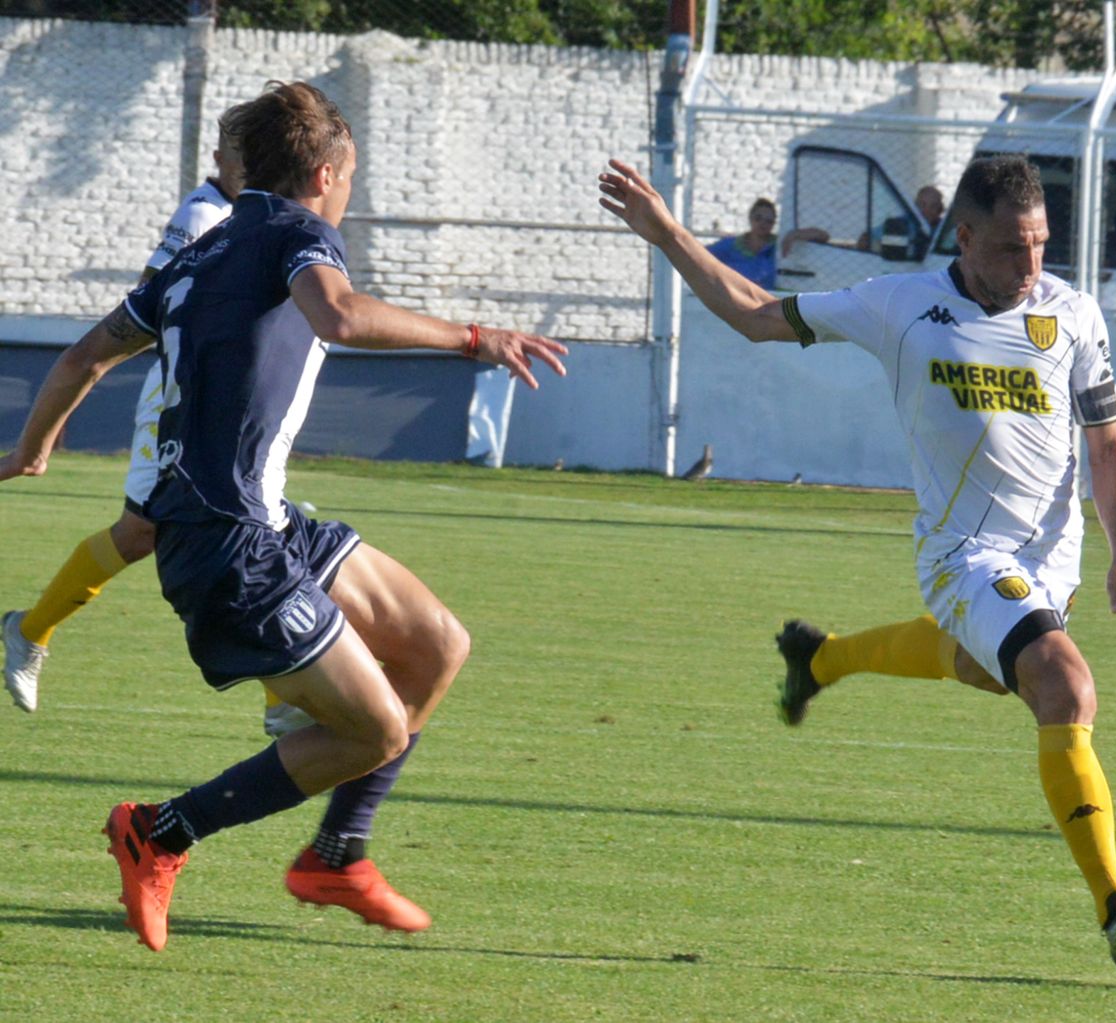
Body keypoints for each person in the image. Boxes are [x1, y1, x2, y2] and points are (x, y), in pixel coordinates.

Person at [0, 81, 569, 952]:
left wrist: (33, 449)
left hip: (257, 520)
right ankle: (162, 830)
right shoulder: (301, 233)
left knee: (437, 644)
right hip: (228, 546)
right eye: (351, 180)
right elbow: (336, 313)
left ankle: (337, 852)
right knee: (377, 729)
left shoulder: (194, 258)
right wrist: (470, 338)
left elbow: (84, 354)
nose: (350, 197)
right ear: (327, 171)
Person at [599, 154, 1116, 972]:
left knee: (984, 669)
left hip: (1052, 559)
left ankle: (822, 657)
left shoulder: (1072, 314)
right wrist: (667, 232)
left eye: (1041, 244)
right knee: (1065, 686)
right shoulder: (899, 304)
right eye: (1012, 248)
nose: (1031, 265)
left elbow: (1107, 446)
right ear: (964, 237)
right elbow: (757, 311)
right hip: (964, 556)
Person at [3, 107, 248, 714]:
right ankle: (31, 629)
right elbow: (153, 298)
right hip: (178, 401)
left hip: (233, 404)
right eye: (243, 154)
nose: (255, 166)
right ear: (220, 160)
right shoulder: (204, 214)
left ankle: (286, 685)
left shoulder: (257, 213)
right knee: (147, 533)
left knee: (238, 530)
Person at [706, 197, 825, 288]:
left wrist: (794, 234)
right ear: (750, 218)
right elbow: (701, 256)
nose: (763, 224)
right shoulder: (731, 245)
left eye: (769, 221)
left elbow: (823, 235)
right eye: (758, 218)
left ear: (773, 224)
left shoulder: (778, 246)